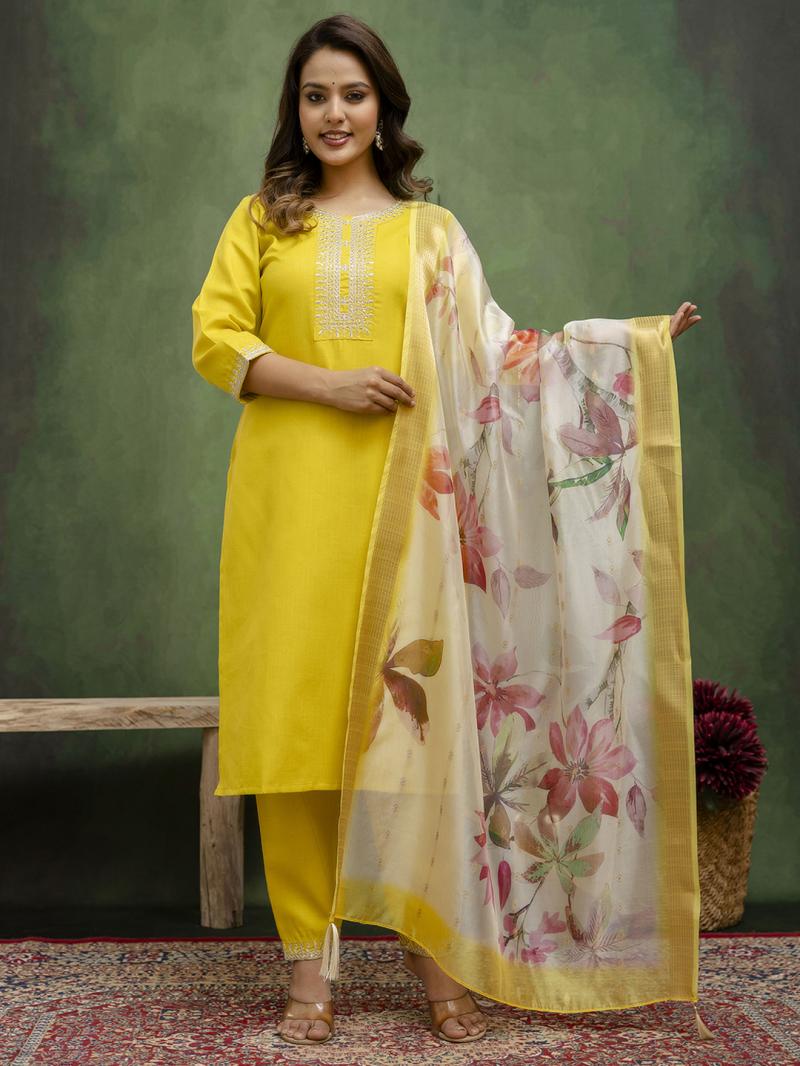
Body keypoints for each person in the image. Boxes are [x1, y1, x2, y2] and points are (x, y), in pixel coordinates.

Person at [191, 13, 703, 1049]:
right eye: (315, 96)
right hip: (285, 513)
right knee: (293, 743)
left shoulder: (432, 234)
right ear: (295, 110)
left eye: (352, 94)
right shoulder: (262, 220)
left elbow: (500, 357)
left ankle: (438, 956)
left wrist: (625, 350)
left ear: (383, 108)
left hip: (407, 520)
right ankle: (307, 971)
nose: (333, 114)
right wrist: (331, 384)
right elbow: (216, 340)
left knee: (415, 741)